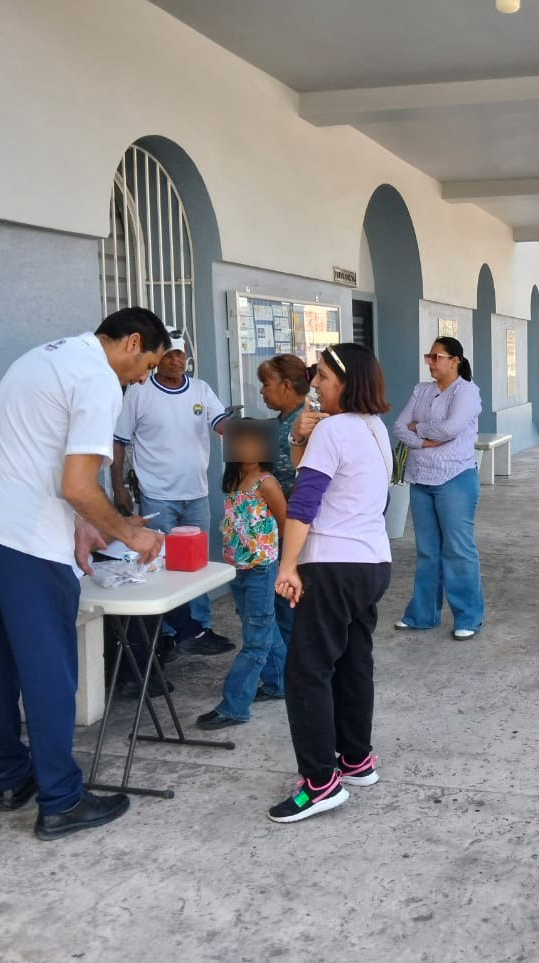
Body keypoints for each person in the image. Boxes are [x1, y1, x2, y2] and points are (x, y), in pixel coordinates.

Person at [0, 308, 169, 840]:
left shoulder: (45, 357)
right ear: (132, 342)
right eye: (148, 364)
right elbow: (77, 485)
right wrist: (129, 533)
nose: (144, 378)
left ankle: (11, 777)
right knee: (50, 669)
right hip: (25, 539)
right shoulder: (98, 381)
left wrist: (88, 527)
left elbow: (38, 458)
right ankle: (62, 800)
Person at [270, 343, 393, 823]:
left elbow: (304, 501)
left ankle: (319, 783)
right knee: (352, 661)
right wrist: (299, 439)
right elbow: (327, 479)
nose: (314, 385)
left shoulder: (334, 430)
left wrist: (287, 565)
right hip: (370, 563)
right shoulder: (372, 427)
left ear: (345, 380)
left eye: (321, 376)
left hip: (331, 564)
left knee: (306, 672)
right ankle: (355, 759)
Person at [111, 329, 232, 656]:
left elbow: (222, 424)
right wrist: (118, 486)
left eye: (180, 354)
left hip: (196, 493)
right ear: (156, 357)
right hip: (156, 495)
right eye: (169, 355)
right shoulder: (139, 393)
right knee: (161, 563)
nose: (177, 360)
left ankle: (198, 629)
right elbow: (119, 441)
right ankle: (165, 633)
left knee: (197, 564)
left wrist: (249, 432)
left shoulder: (201, 390)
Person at [195, 419, 288, 731]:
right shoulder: (234, 481)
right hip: (239, 570)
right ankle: (279, 683)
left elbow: (287, 524)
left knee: (255, 642)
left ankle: (234, 705)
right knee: (264, 628)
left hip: (261, 569)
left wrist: (289, 567)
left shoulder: (266, 482)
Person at [392, 337, 484, 640]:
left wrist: (419, 427)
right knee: (427, 551)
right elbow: (398, 427)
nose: (430, 362)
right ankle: (422, 614)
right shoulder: (422, 390)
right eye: (428, 356)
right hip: (421, 478)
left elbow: (451, 429)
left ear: (454, 360)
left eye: (436, 356)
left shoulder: (467, 392)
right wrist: (421, 440)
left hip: (454, 477)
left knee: (458, 550)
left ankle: (468, 616)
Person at [258, 353, 311, 647]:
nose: (262, 391)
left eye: (266, 384)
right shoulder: (275, 423)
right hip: (274, 525)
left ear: (287, 385)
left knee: (290, 596)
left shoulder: (307, 423)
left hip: (293, 522)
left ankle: (293, 665)